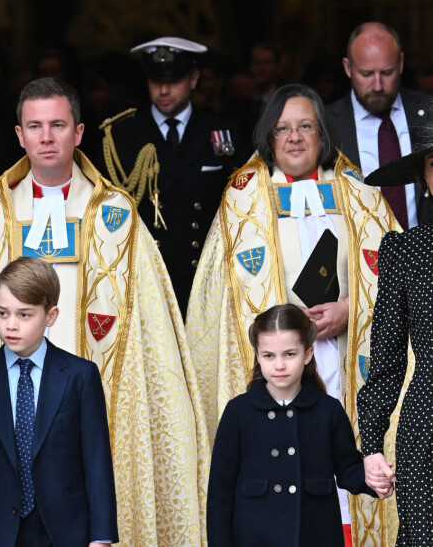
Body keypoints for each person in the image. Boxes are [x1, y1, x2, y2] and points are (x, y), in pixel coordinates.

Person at [0, 77, 210, 546]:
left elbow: (153, 332)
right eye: (35, 126)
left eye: (58, 125)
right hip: (10, 412)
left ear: (79, 132)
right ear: (19, 134)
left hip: (90, 402)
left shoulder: (117, 213)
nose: (47, 138)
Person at [186, 83, 401, 546]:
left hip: (347, 361)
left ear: (323, 133)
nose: (295, 138)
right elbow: (218, 298)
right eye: (282, 128)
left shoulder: (359, 194)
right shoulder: (242, 201)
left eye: (305, 126)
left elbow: (399, 279)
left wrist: (353, 308)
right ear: (269, 136)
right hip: (280, 367)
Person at [0, 257, 118, 546]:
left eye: (24, 315)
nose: (11, 325)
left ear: (51, 315)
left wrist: (101, 537)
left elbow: (97, 462)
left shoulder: (80, 376)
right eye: (3, 313)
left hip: (66, 530)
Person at [207, 304, 386, 547]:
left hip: (316, 535)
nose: (279, 365)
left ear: (308, 354)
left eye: (289, 354)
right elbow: (221, 489)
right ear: (258, 356)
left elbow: (348, 469)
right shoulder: (238, 412)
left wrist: (375, 479)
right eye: (269, 355)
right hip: (254, 537)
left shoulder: (328, 410)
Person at [97, 37, 245, 315]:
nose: (164, 89)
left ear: (193, 79)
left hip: (205, 282)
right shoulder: (122, 135)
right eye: (156, 80)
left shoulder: (222, 132)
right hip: (146, 284)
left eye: (174, 80)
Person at [358, 138, 433, 545]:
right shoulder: (406, 250)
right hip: (426, 426)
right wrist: (371, 446)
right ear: (424, 176)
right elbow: (385, 357)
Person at [327, 22, 433, 228]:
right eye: (366, 74)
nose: (377, 86)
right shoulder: (324, 124)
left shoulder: (430, 112)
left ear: (401, 63)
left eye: (387, 72)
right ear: (348, 67)